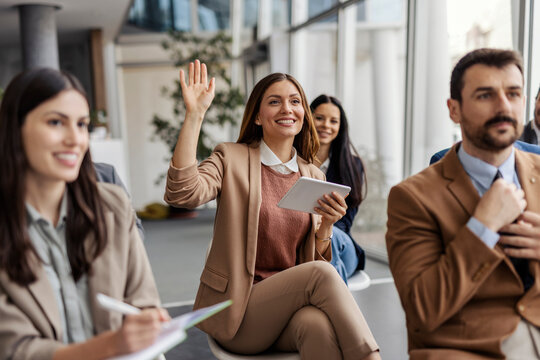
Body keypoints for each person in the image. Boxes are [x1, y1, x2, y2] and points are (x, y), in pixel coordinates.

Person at [165, 60, 380, 359]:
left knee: (317, 326)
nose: (287, 109)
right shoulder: (231, 158)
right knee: (319, 274)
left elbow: (314, 257)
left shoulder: (313, 176)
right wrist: (195, 115)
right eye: (274, 102)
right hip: (239, 310)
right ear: (256, 116)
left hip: (287, 309)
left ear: (303, 114)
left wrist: (327, 227)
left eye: (294, 101)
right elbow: (182, 193)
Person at [0, 68, 169, 360]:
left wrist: (148, 325)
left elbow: (144, 304)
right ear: (15, 129)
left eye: (81, 124)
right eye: (56, 122)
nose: (75, 139)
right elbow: (14, 350)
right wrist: (110, 346)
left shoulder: (112, 208)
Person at [386, 48, 540, 359]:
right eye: (485, 95)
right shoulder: (412, 197)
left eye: (513, 93)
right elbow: (422, 309)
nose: (503, 106)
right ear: (454, 110)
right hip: (470, 348)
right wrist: (481, 227)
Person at [310, 94, 366, 283]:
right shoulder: (292, 161)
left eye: (333, 121)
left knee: (330, 243)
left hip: (341, 243)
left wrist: (323, 228)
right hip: (302, 244)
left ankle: (332, 308)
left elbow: (345, 222)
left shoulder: (352, 165)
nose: (326, 125)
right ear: (308, 119)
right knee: (331, 270)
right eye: (319, 118)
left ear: (340, 127)